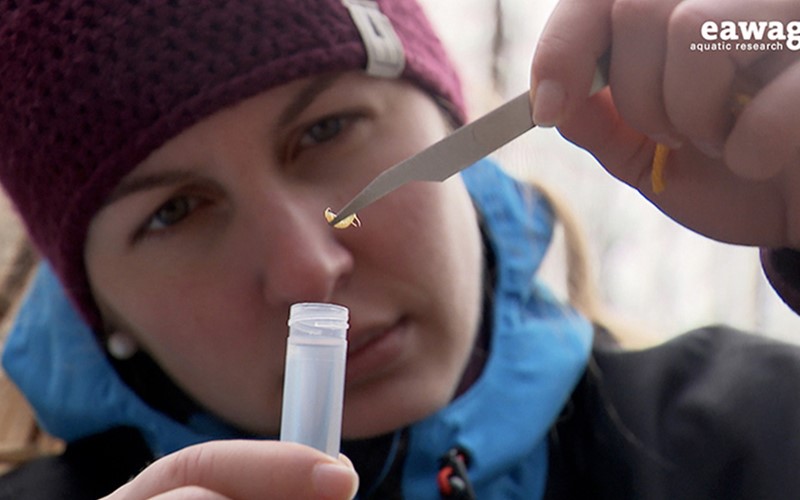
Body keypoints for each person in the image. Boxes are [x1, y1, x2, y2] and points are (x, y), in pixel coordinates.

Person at [0, 0, 798, 499]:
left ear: (452, 132)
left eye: (326, 131)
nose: (309, 269)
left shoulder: (760, 439)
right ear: (100, 308)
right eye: (175, 212)